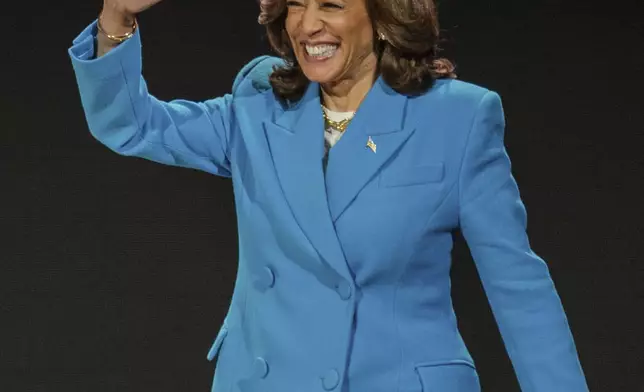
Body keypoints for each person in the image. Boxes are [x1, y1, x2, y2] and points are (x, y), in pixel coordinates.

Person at [68, 0, 589, 391]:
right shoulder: (259, 101)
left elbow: (519, 287)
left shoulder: (458, 118)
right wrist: (116, 15)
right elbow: (132, 126)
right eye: (296, 2)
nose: (307, 23)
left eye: (332, 4)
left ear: (382, 15)